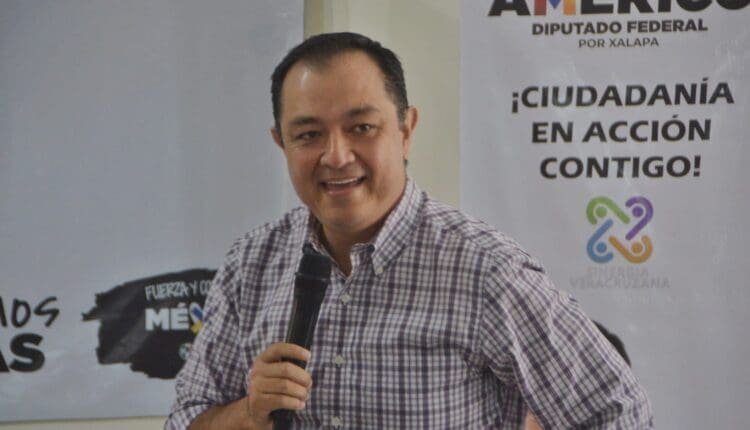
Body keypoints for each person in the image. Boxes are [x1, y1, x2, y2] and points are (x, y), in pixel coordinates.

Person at [166, 32, 653, 429]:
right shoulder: (251, 263)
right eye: (309, 135)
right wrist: (248, 416)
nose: (336, 156)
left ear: (405, 130)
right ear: (282, 143)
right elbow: (187, 418)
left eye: (361, 128)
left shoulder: (485, 269)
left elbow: (617, 413)